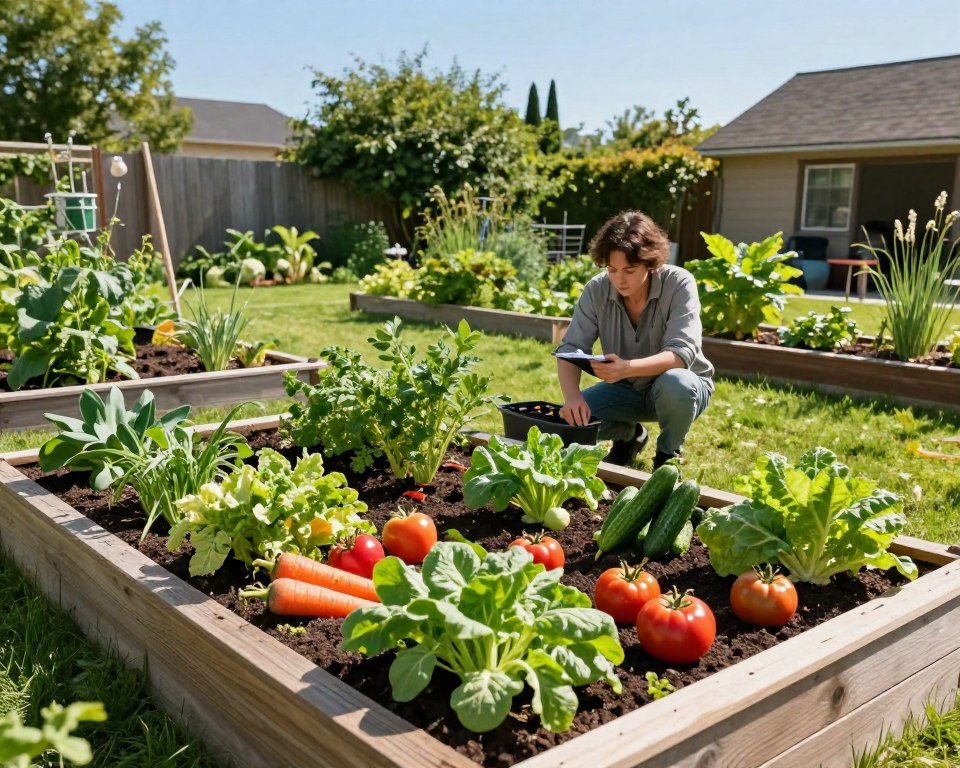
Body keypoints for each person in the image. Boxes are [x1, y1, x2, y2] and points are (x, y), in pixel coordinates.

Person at [556, 210, 714, 468]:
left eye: (629, 269)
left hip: (680, 390)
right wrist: (572, 398)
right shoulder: (597, 289)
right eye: (612, 269)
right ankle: (629, 436)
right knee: (566, 426)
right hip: (625, 389)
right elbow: (570, 349)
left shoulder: (679, 283)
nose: (619, 279)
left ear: (651, 263)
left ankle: (667, 455)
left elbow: (681, 354)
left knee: (678, 383)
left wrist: (627, 367)